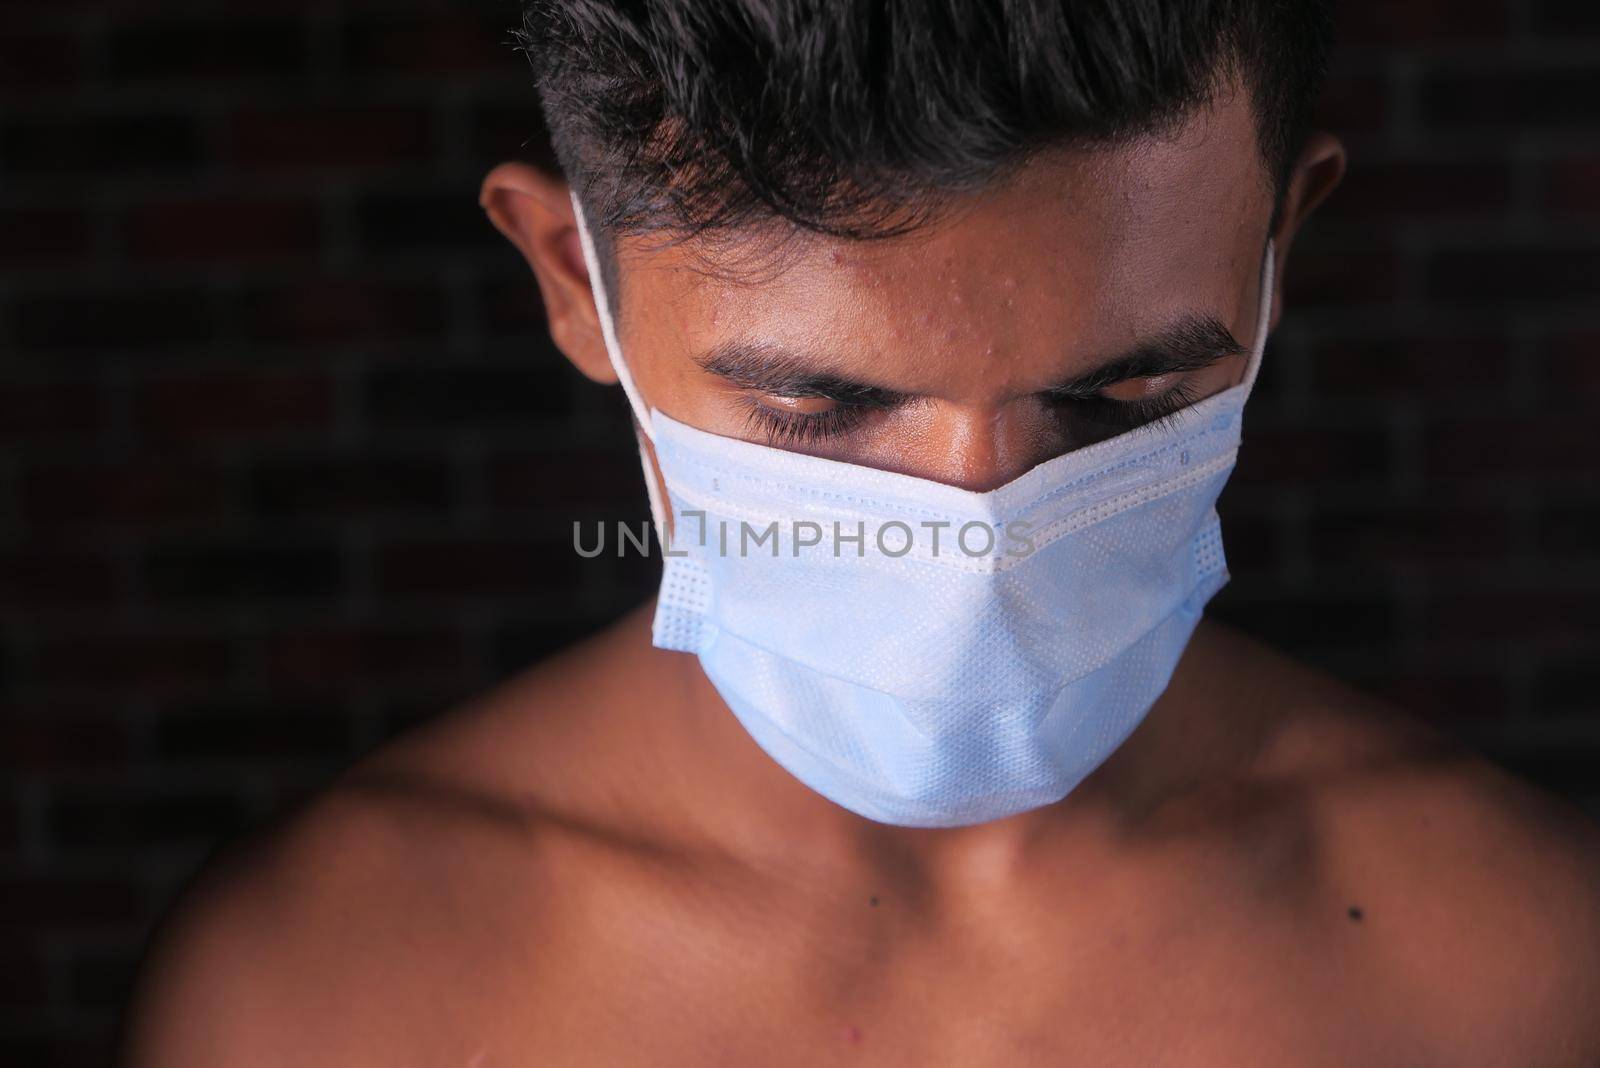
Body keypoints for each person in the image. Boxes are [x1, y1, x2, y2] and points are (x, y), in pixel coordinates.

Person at [122, 2, 1600, 1064]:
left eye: (1123, 396)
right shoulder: (313, 994)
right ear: (580, 280)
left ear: (1278, 247)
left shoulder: (1519, 969)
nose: (974, 535)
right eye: (818, 414)